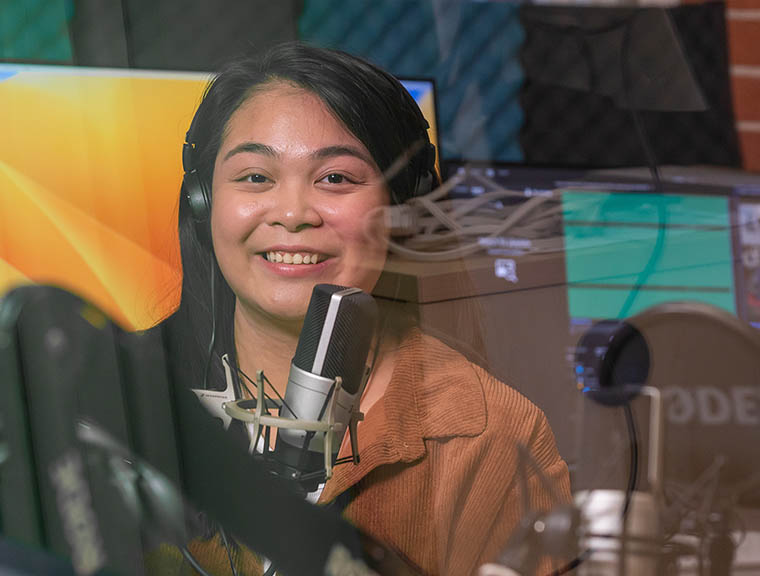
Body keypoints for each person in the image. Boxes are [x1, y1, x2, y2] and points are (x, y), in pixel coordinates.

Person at [162, 42, 570, 575]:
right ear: (203, 200)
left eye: (335, 178)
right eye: (256, 176)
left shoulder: (487, 437)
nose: (292, 214)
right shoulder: (119, 397)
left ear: (402, 208)